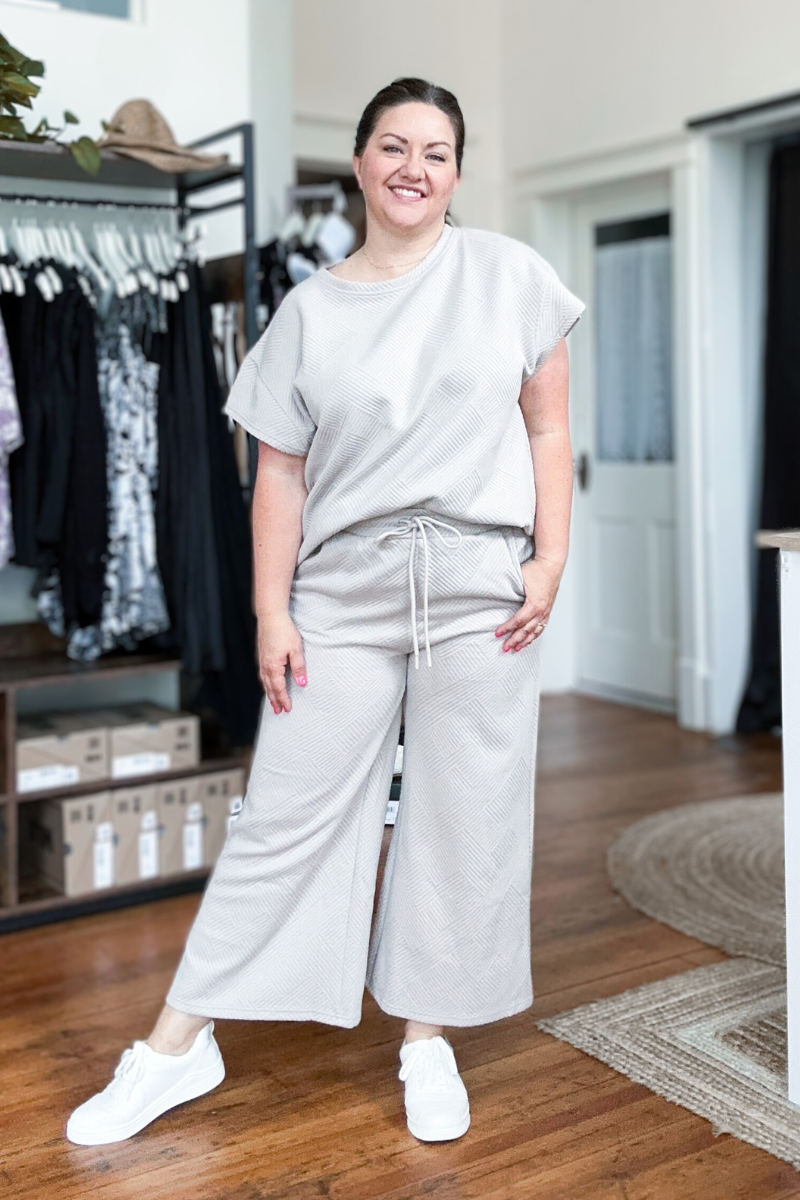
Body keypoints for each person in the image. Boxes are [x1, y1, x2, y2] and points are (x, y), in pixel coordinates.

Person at [66, 77, 583, 1148]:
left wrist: (550, 560)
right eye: (393, 146)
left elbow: (546, 430)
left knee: (462, 815)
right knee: (282, 815)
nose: (413, 168)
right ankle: (177, 1045)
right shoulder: (306, 311)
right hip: (341, 592)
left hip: (479, 588)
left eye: (435, 151)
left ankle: (425, 1039)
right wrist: (271, 610)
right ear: (358, 162)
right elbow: (280, 478)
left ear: (455, 172)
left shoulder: (510, 277)